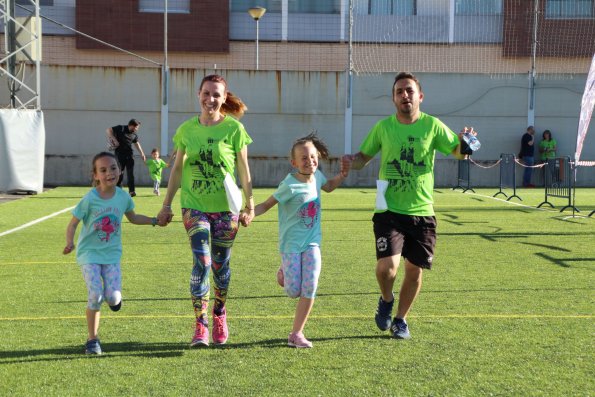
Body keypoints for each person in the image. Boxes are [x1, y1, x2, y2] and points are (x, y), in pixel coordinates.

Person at [343, 72, 471, 340]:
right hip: (388, 211)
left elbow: (459, 152)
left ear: (420, 96)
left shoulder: (433, 126)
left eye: (409, 91)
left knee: (414, 271)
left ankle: (400, 320)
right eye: (399, 91)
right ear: (393, 98)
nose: (405, 95)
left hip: (423, 213)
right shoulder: (384, 128)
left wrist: (467, 143)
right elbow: (363, 157)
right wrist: (350, 161)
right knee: (386, 269)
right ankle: (386, 299)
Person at [157, 74, 255, 348]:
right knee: (202, 261)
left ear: (224, 98)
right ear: (198, 94)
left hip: (226, 210)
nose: (210, 99)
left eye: (216, 95)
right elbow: (176, 169)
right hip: (194, 205)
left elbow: (244, 170)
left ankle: (219, 313)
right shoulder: (187, 130)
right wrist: (166, 205)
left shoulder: (234, 130)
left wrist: (250, 205)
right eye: (206, 93)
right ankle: (200, 324)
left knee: (221, 264)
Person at [253, 133, 350, 348]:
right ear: (294, 162)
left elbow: (329, 186)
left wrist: (342, 175)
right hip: (290, 245)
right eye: (304, 158)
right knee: (292, 291)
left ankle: (296, 333)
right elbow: (266, 205)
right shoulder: (288, 184)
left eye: (313, 157)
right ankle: (284, 273)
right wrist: (250, 213)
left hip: (312, 243)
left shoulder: (318, 178)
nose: (310, 161)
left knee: (310, 286)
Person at [63, 151, 163, 355]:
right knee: (95, 294)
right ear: (95, 175)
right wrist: (69, 242)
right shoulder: (90, 199)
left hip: (111, 256)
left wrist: (154, 220)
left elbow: (133, 218)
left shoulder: (123, 197)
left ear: (119, 170)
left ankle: (114, 300)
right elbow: (73, 224)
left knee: (114, 298)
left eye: (113, 168)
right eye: (103, 170)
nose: (109, 173)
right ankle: (92, 340)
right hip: (89, 253)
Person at [106, 118, 146, 197]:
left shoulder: (134, 135)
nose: (137, 129)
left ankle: (132, 191)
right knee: (120, 173)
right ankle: (118, 190)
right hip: (119, 155)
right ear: (131, 125)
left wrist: (142, 153)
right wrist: (114, 139)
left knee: (130, 173)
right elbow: (108, 130)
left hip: (129, 155)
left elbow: (137, 144)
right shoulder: (120, 128)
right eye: (136, 127)